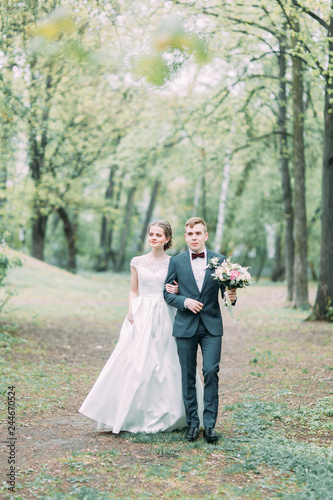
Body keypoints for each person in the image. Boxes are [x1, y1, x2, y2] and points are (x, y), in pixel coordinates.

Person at [79, 220, 203, 434]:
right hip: (142, 312)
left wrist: (176, 292)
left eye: (158, 235)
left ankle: (171, 414)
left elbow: (180, 289)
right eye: (151, 234)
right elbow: (133, 290)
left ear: (167, 239)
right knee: (135, 362)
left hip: (166, 312)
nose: (153, 238)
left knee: (166, 362)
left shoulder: (175, 262)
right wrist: (131, 309)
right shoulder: (137, 261)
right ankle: (131, 413)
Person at [163, 217, 237, 443]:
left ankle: (210, 426)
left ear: (205, 236)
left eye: (198, 233)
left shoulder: (219, 260)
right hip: (185, 325)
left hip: (211, 326)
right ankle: (193, 424)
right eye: (190, 234)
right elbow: (166, 293)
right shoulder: (176, 262)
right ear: (185, 237)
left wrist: (231, 296)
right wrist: (184, 301)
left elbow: (226, 292)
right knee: (188, 376)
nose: (194, 237)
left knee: (211, 371)